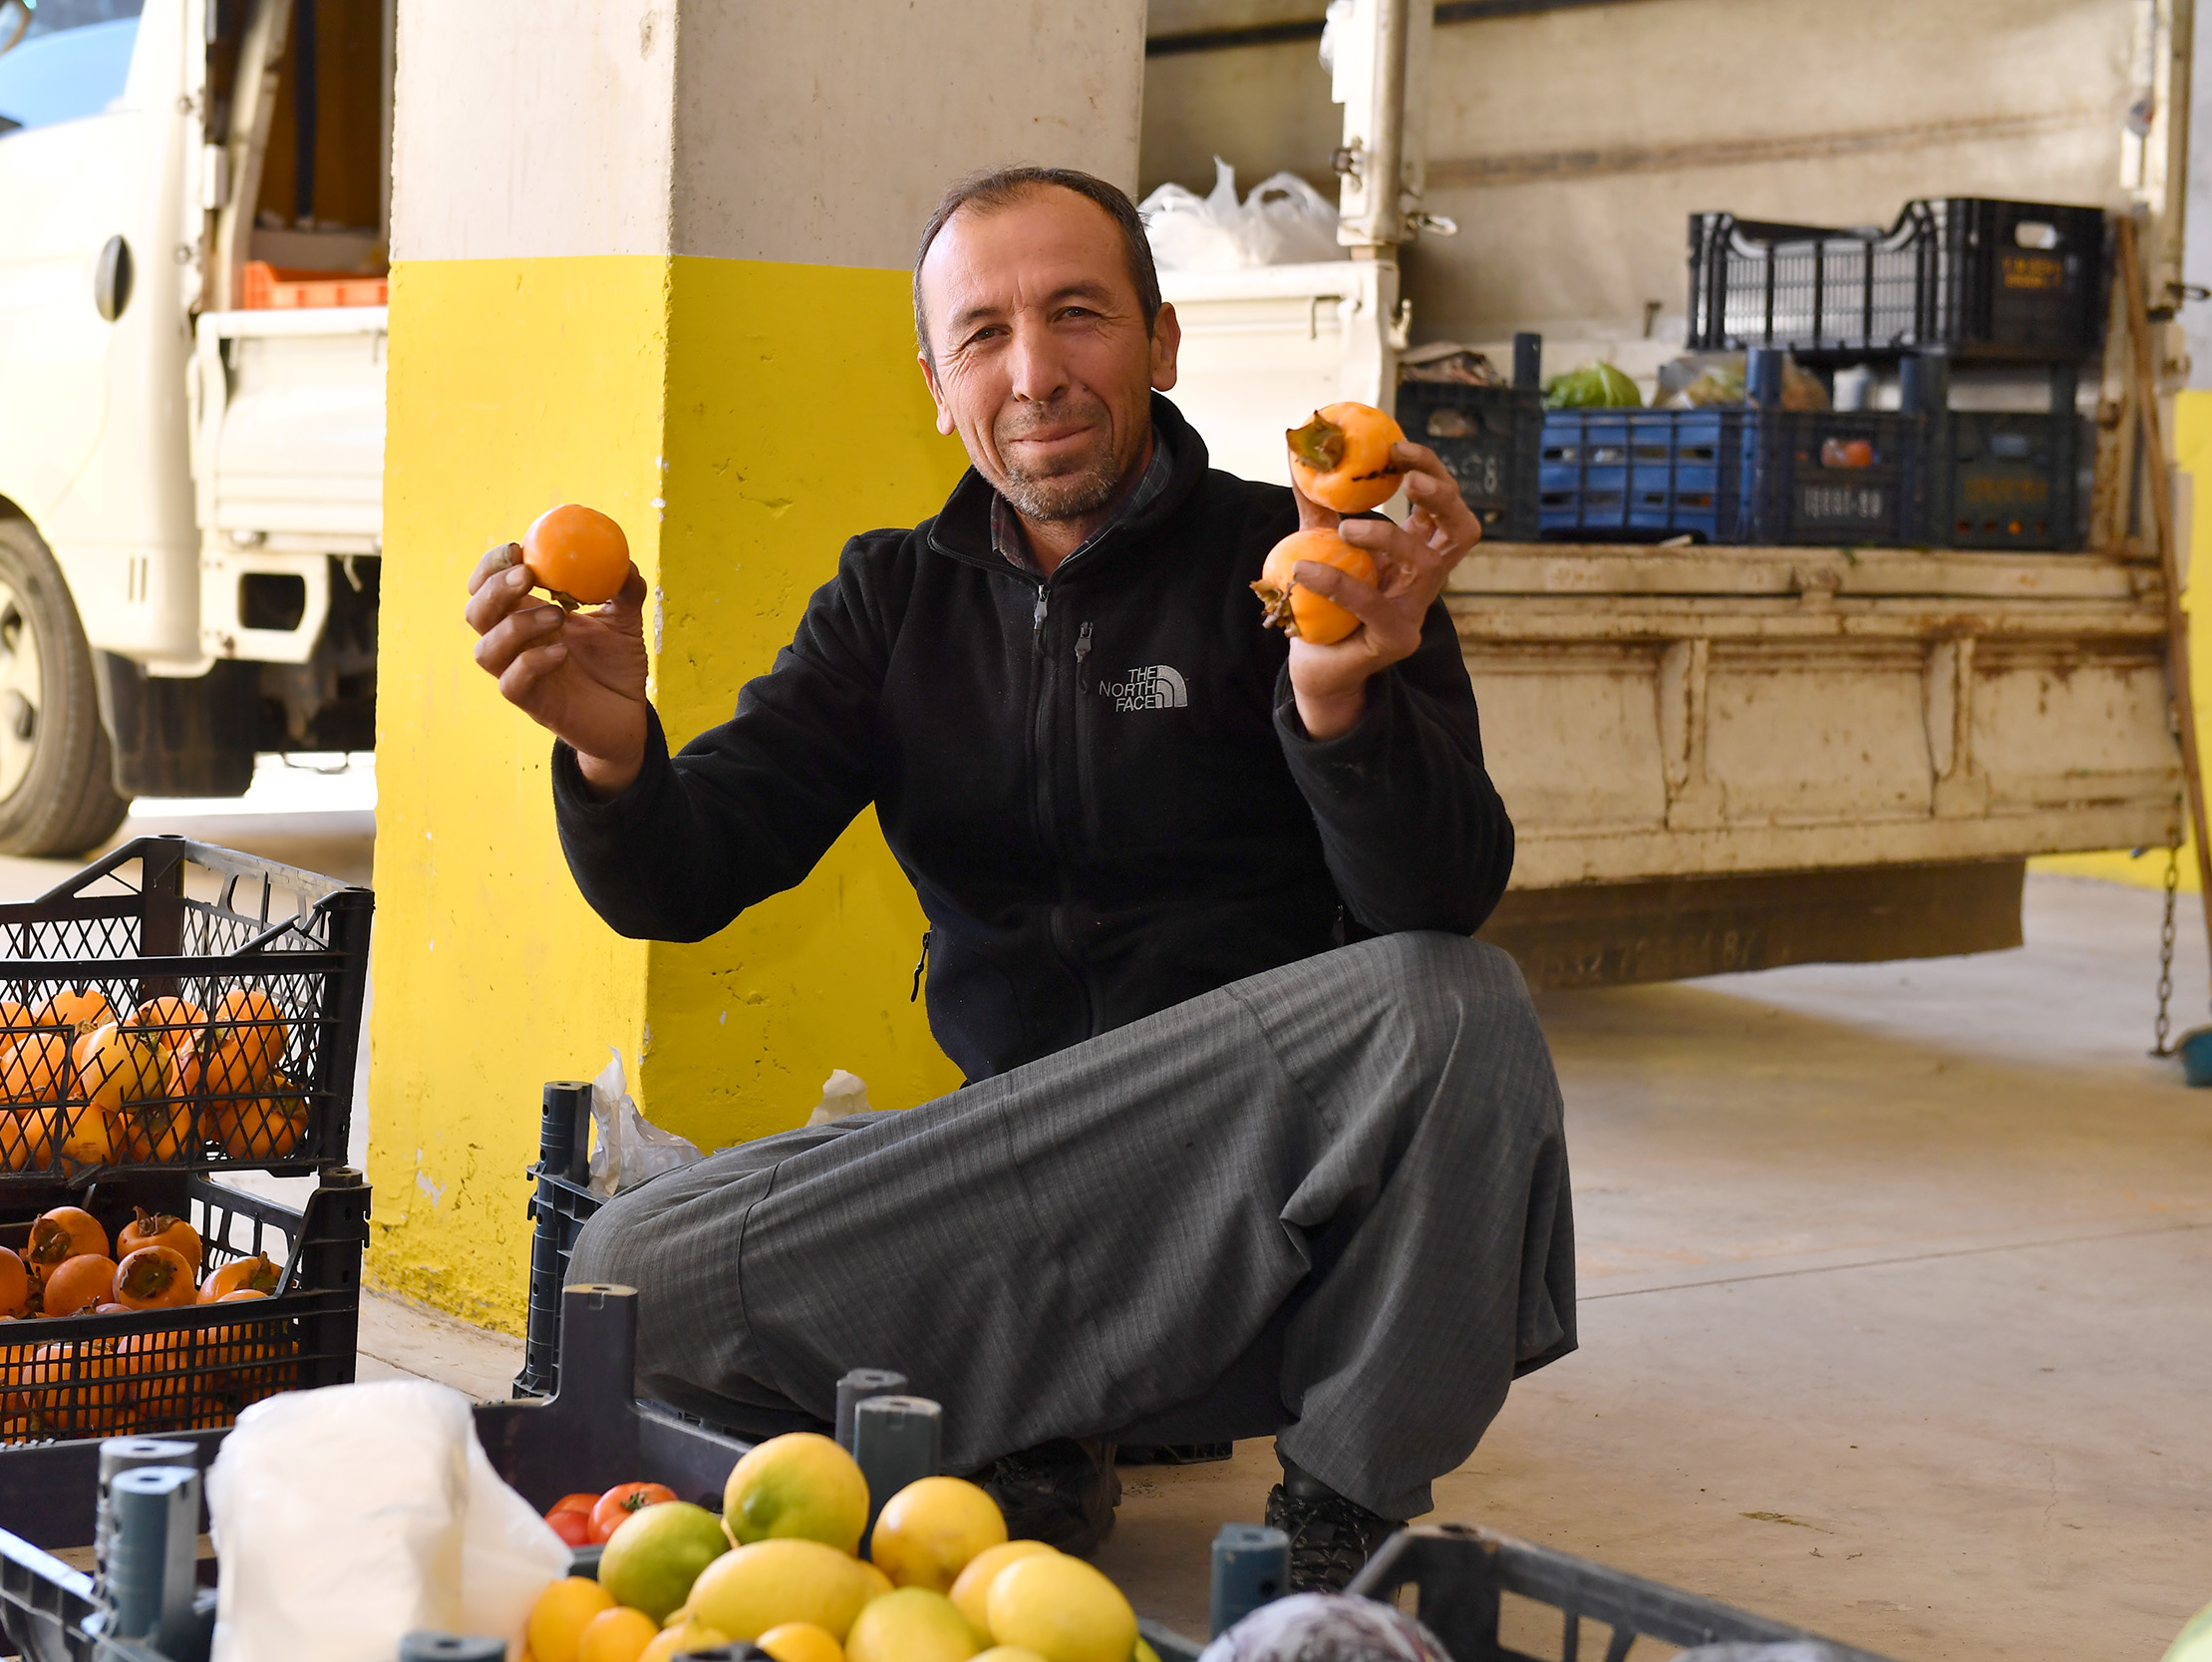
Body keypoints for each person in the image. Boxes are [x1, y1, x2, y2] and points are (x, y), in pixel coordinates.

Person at [464, 166, 1574, 1591]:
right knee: (627, 1265)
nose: (1035, 373)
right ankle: (1018, 1421)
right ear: (937, 384)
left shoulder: (1311, 565)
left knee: (1460, 1004)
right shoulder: (893, 598)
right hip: (1021, 1189)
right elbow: (689, 875)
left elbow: (1440, 898)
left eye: (1077, 315)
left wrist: (1341, 703)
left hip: (1269, 1212)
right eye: (984, 334)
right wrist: (614, 750)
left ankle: (1340, 1509)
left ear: (1162, 343)